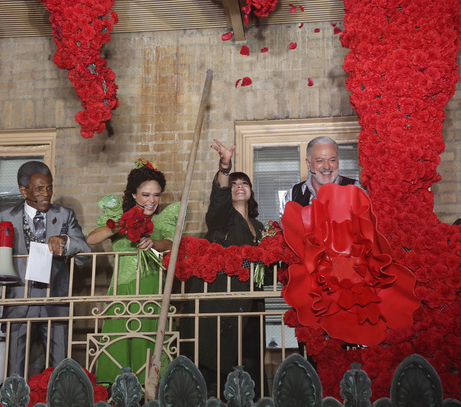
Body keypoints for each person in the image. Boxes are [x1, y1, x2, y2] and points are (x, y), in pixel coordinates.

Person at [0, 161, 90, 377]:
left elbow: (85, 251)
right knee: (15, 368)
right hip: (18, 301)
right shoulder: (4, 217)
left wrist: (65, 240)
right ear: (24, 190)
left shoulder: (65, 215)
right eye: (39, 188)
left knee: (60, 367)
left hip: (55, 300)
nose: (47, 194)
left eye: (50, 187)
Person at [181, 139, 265, 394]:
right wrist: (225, 167)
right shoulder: (222, 221)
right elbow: (217, 202)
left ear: (251, 191)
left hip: (251, 306)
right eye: (234, 184)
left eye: (245, 184)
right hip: (223, 306)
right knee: (219, 362)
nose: (240, 187)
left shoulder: (261, 228)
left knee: (251, 359)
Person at [86, 159, 180, 385]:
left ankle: (151, 393)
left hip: (154, 289)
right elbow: (91, 238)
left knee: (150, 342)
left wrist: (153, 243)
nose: (152, 200)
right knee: (119, 343)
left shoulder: (162, 220)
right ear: (135, 195)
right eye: (146, 194)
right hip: (123, 289)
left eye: (156, 195)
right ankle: (119, 394)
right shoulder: (119, 216)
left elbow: (171, 244)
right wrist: (121, 224)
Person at [280, 136, 364, 214]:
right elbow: (286, 228)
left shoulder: (356, 190)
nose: (327, 167)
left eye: (332, 160)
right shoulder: (292, 194)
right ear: (308, 164)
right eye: (319, 161)